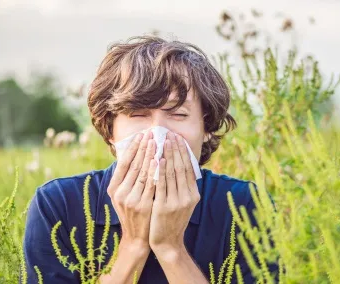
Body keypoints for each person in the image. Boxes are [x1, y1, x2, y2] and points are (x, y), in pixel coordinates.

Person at [23, 35, 278, 283]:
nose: (158, 134)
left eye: (178, 114)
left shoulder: (244, 205)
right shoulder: (58, 205)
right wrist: (134, 244)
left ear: (206, 127)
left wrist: (171, 249)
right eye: (137, 114)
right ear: (110, 129)